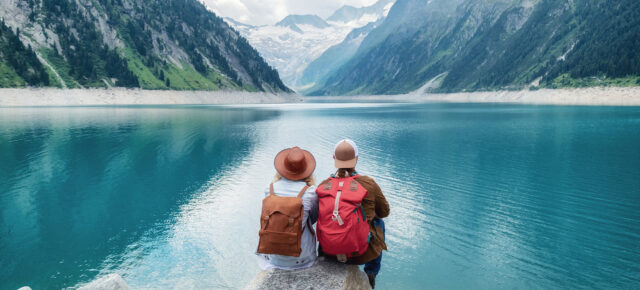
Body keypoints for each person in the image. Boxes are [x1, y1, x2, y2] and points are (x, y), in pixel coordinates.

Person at [316, 139, 389, 289]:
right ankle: (371, 273)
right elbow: (384, 212)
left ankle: (323, 257)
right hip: (359, 253)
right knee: (379, 222)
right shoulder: (368, 183)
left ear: (334, 158)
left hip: (329, 251)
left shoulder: (323, 185)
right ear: (356, 159)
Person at [256, 146, 319, 270]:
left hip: (273, 257)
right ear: (306, 170)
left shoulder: (270, 190)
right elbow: (314, 218)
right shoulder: (310, 192)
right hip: (302, 258)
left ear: (283, 169)